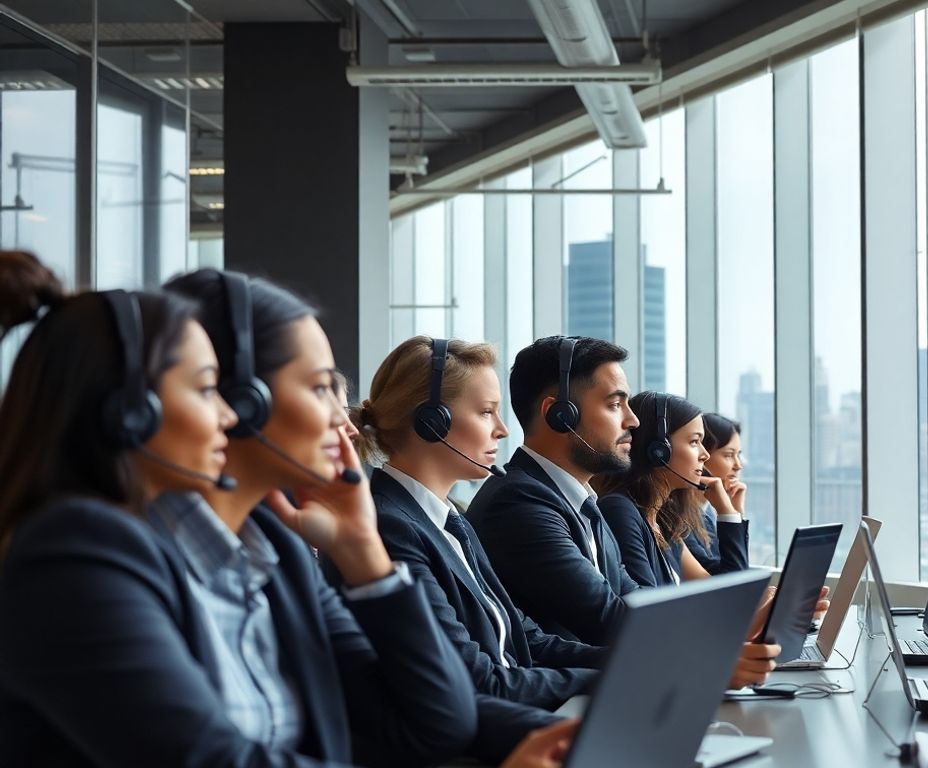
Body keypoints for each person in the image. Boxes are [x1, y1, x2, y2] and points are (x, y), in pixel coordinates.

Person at [163, 269, 571, 766]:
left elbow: (444, 719)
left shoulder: (278, 551)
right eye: (319, 389)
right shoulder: (99, 555)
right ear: (244, 403)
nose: (345, 419)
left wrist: (363, 552)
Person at [466, 336, 780, 689]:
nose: (632, 421)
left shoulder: (581, 502)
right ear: (559, 414)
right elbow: (609, 619)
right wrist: (713, 648)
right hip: (567, 705)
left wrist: (732, 626)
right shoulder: (520, 503)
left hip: (611, 686)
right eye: (615, 405)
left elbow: (636, 600)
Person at [345, 335, 603, 710]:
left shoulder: (452, 520)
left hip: (520, 710)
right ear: (431, 421)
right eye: (486, 412)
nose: (503, 429)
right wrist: (604, 680)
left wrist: (625, 662)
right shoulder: (391, 528)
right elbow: (479, 678)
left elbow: (523, 635)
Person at [593, 392, 748, 586]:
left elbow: (727, 591)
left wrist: (729, 513)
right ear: (659, 451)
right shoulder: (620, 509)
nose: (705, 455)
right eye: (694, 442)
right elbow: (648, 607)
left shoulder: (663, 520)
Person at [684, 413, 750, 574]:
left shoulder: (707, 513)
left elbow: (739, 568)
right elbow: (730, 579)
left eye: (738, 454)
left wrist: (736, 513)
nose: (738, 465)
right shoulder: (677, 518)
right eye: (728, 455)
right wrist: (728, 513)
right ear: (701, 456)